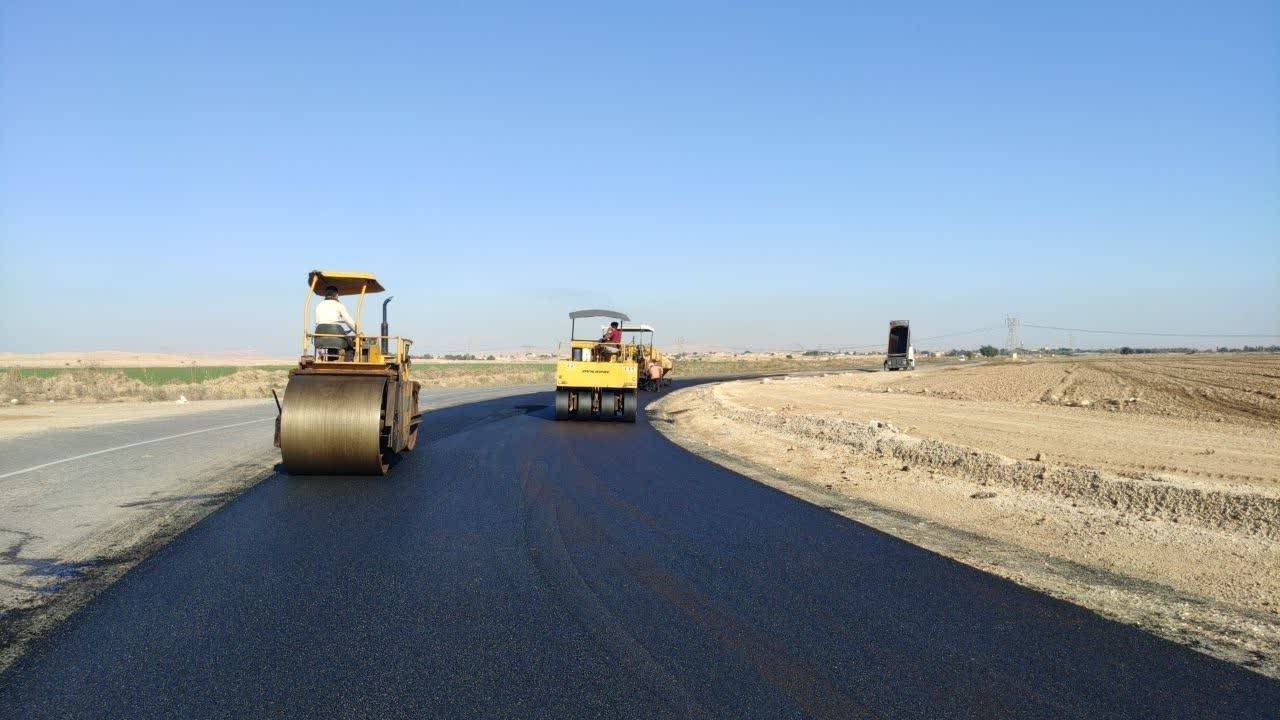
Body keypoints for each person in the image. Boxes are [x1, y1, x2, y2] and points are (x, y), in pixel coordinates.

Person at [314, 286, 356, 358]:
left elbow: (318, 322)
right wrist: (357, 331)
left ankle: (331, 361)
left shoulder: (319, 305)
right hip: (335, 334)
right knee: (351, 344)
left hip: (320, 335)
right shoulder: (338, 305)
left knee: (333, 340)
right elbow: (348, 320)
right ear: (336, 295)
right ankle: (348, 363)